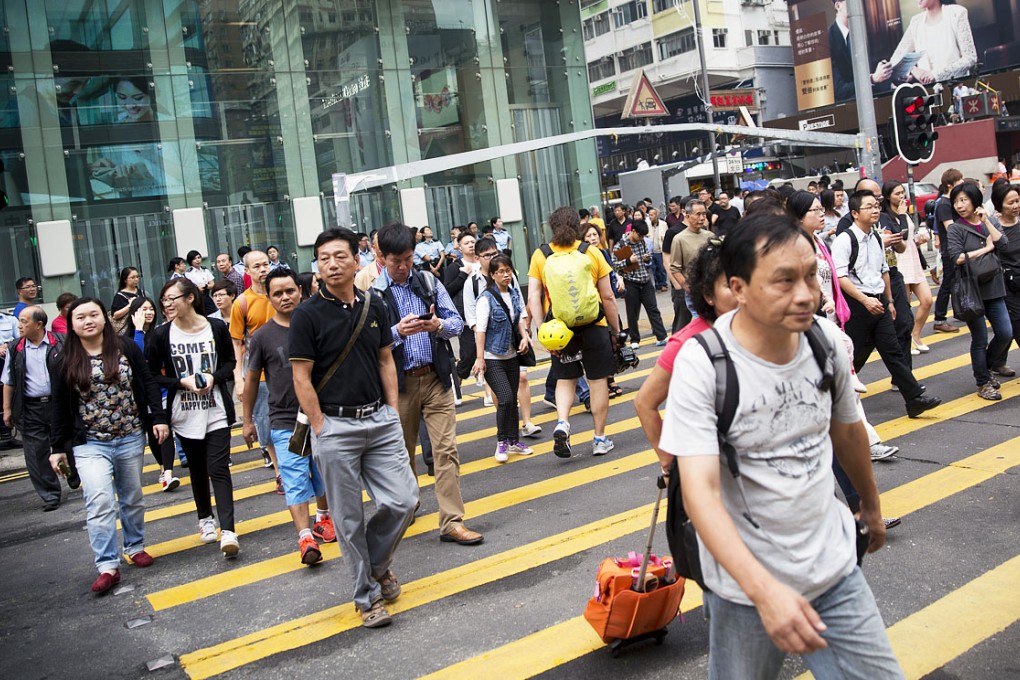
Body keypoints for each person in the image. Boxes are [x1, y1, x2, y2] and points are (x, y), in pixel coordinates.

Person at [662, 214, 903, 678]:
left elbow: (848, 431)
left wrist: (871, 507)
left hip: (833, 570)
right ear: (739, 288)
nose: (806, 294)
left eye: (812, 275)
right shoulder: (703, 363)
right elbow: (701, 493)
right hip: (744, 587)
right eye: (784, 280)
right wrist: (765, 593)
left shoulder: (825, 341)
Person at [291, 228, 419, 627]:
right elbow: (301, 377)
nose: (331, 264)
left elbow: (385, 361)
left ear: (357, 259)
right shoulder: (307, 314)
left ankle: (378, 566)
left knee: (404, 500)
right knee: (347, 520)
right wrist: (319, 425)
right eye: (323, 258)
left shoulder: (374, 305)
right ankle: (366, 597)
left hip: (379, 420)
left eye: (339, 256)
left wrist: (393, 412)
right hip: (335, 427)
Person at [371, 222, 482, 546]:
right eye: (396, 261)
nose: (403, 266)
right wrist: (396, 333)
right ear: (382, 257)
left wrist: (438, 325)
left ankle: (452, 521)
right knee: (402, 454)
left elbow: (456, 322)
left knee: (446, 450)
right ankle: (406, 507)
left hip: (436, 379)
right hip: (398, 385)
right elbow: (369, 343)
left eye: (407, 258)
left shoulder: (428, 282)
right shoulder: (375, 295)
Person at [50, 297, 168, 595]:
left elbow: (147, 382)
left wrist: (158, 417)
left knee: (132, 496)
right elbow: (60, 407)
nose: (88, 321)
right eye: (80, 317)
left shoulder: (125, 347)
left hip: (129, 436)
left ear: (104, 318)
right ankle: (107, 566)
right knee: (100, 500)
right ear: (71, 324)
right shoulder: (63, 360)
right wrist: (57, 448)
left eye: (93, 315)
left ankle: (135, 546)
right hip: (89, 444)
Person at [788, 191, 900, 463]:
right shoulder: (794, 246)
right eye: (815, 211)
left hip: (831, 318)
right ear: (799, 217)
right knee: (843, 384)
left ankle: (861, 442)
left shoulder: (818, 242)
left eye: (820, 209)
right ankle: (863, 443)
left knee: (844, 385)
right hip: (814, 322)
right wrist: (821, 300)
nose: (821, 214)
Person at [244, 268, 336, 565]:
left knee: (322, 472)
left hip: (322, 415)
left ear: (300, 290)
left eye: (289, 291)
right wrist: (247, 421)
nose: (285, 297)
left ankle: (324, 517)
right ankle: (305, 538)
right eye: (277, 294)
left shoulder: (318, 323)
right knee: (296, 477)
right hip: (285, 420)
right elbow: (250, 380)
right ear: (268, 298)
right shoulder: (262, 337)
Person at [147, 278, 239, 557]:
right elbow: (152, 375)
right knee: (198, 469)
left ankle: (229, 531)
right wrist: (180, 383)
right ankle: (204, 519)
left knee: (219, 468)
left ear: (189, 298)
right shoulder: (162, 335)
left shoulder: (216, 328)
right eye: (164, 300)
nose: (167, 304)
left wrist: (213, 377)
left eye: (172, 298)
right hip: (184, 414)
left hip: (216, 411)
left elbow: (229, 363)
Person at [832, 190, 941, 418]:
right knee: (854, 355)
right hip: (858, 305)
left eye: (876, 206)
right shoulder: (845, 240)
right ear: (854, 213)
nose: (875, 210)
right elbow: (840, 277)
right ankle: (832, 398)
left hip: (879, 303)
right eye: (869, 207)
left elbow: (884, 270)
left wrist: (889, 300)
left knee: (893, 352)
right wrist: (864, 300)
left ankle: (914, 399)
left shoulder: (875, 236)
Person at [635, 240, 737, 477]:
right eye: (730, 285)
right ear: (708, 295)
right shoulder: (686, 343)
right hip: (711, 471)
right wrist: (668, 461)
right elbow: (644, 402)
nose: (741, 291)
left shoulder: (759, 329)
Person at [528, 207, 623, 458]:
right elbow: (608, 296)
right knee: (597, 381)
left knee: (565, 379)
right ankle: (600, 438)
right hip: (594, 326)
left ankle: (562, 423)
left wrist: (543, 330)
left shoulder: (541, 254)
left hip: (561, 330)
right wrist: (616, 330)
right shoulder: (591, 252)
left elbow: (533, 298)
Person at [3, 306, 77, 511]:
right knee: (37, 454)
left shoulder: (61, 342)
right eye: (19, 321)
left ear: (39, 324)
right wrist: (7, 410)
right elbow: (8, 381)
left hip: (59, 403)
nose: (19, 325)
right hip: (30, 407)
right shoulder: (15, 348)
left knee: (69, 441)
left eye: (24, 321)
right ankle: (50, 494)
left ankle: (73, 473)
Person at [947, 182, 1014, 401]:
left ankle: (988, 366)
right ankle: (983, 382)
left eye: (964, 200)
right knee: (980, 338)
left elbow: (1003, 244)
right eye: (956, 201)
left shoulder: (989, 221)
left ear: (975, 200)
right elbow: (956, 257)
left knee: (1005, 332)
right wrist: (984, 249)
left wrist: (986, 221)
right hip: (971, 290)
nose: (959, 205)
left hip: (994, 286)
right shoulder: (956, 228)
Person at [471, 254, 535, 463]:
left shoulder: (514, 293)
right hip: (492, 357)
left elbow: (518, 319)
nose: (506, 275)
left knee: (512, 399)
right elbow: (480, 331)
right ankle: (502, 442)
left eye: (508, 270)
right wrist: (480, 359)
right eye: (501, 272)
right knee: (506, 398)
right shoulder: (486, 298)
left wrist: (525, 336)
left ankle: (514, 441)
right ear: (492, 275)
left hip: (512, 355)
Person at [229, 249, 280, 485]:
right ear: (247, 271)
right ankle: (280, 473)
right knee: (265, 423)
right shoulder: (242, 302)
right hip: (258, 374)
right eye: (256, 266)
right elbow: (237, 342)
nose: (262, 270)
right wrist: (239, 378)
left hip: (287, 370)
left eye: (265, 265)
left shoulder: (280, 294)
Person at [122, 296, 181, 492]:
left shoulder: (159, 334)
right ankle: (163, 468)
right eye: (143, 309)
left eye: (151, 309)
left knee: (165, 430)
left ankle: (169, 473)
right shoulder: (128, 339)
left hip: (163, 392)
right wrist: (138, 329)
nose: (148, 312)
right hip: (141, 396)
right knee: (152, 434)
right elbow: (137, 358)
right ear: (134, 314)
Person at [881, 182, 935, 355]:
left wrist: (919, 239)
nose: (901, 196)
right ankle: (906, 341)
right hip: (899, 261)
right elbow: (900, 235)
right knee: (905, 307)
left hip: (913, 259)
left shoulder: (905, 211)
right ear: (888, 196)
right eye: (897, 193)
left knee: (927, 300)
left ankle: (915, 334)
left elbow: (909, 235)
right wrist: (903, 215)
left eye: (903, 192)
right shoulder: (885, 216)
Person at [885, 0, 977, 86]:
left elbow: (970, 58)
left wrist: (935, 75)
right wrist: (912, 70)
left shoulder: (956, 13)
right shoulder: (916, 22)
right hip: (928, 93)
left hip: (957, 88)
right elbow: (895, 60)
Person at [613, 219, 668, 348]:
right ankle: (634, 340)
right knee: (632, 312)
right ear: (633, 231)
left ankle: (661, 337)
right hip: (631, 282)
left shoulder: (641, 242)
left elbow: (646, 261)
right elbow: (614, 265)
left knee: (653, 309)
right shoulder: (621, 245)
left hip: (645, 280)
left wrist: (647, 259)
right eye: (640, 235)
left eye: (643, 236)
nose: (641, 238)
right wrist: (628, 261)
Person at [669, 199, 715, 332]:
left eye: (704, 214)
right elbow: (675, 268)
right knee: (702, 326)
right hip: (694, 292)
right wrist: (689, 288)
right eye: (698, 214)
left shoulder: (710, 236)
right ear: (687, 216)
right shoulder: (679, 239)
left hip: (711, 289)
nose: (702, 218)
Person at [932, 169, 965, 333]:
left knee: (956, 283)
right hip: (950, 251)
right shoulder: (944, 204)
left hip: (954, 250)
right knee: (948, 284)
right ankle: (939, 319)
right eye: (960, 181)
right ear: (949, 184)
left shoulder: (950, 201)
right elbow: (950, 228)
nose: (963, 183)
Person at [992, 183, 1020, 369]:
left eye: (1018, 201)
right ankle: (991, 363)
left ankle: (997, 361)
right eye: (1011, 203)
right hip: (1006, 284)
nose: (1016, 205)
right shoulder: (994, 226)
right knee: (1015, 325)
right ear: (1000, 205)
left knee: (1007, 330)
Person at [109, 267, 141, 334]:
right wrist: (130, 305)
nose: (136, 279)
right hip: (128, 330)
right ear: (125, 280)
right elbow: (114, 315)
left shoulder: (141, 292)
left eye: (137, 277)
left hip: (141, 325)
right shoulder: (119, 296)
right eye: (132, 277)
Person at [647, 207, 669, 291]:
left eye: (652, 215)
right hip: (651, 250)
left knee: (661, 268)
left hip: (660, 249)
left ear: (657, 215)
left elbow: (666, 235)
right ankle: (657, 284)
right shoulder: (647, 225)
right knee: (653, 269)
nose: (650, 217)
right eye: (649, 215)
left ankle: (663, 283)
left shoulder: (663, 224)